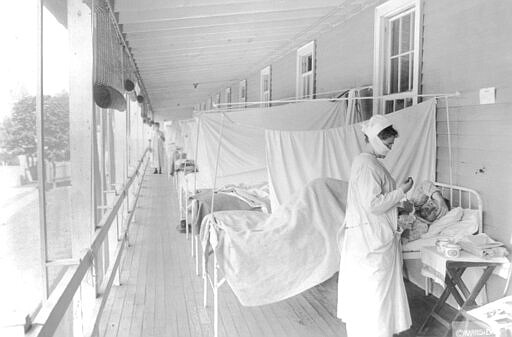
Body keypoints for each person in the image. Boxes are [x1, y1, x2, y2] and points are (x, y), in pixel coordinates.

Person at [337, 115, 414, 337]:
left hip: (369, 235)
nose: (390, 150)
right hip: (369, 241)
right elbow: (372, 204)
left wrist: (398, 206)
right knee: (374, 295)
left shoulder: (368, 163)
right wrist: (402, 191)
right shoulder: (366, 164)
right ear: (378, 140)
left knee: (373, 295)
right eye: (388, 145)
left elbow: (373, 202)